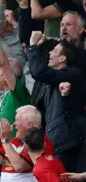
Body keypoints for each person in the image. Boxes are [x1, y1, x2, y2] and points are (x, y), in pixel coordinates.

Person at [27, 31, 84, 171]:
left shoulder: (73, 74)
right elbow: (41, 72)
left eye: (54, 51)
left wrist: (33, 46)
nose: (50, 53)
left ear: (62, 58)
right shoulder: (51, 79)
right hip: (52, 141)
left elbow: (38, 72)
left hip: (66, 143)